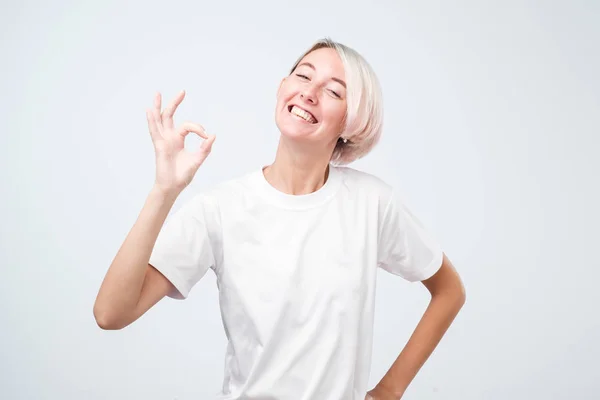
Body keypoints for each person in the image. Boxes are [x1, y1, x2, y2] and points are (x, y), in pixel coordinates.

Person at [93, 38, 466, 400]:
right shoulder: (220, 209)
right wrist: (164, 190)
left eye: (334, 91)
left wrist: (389, 391)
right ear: (282, 88)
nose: (309, 92)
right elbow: (111, 313)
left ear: (353, 123)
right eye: (303, 76)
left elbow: (449, 290)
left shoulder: (372, 204)